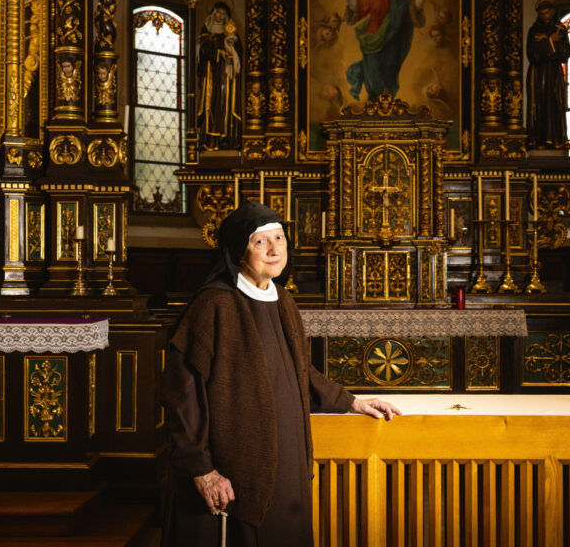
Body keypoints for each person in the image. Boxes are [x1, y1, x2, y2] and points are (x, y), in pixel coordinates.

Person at [161, 201, 400, 546]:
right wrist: (203, 469)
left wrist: (352, 402)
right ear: (237, 249)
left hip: (285, 459)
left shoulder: (283, 299)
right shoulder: (214, 305)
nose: (274, 249)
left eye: (280, 238)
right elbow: (180, 394)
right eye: (261, 241)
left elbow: (300, 370)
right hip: (231, 465)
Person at [334, 0, 432, 100]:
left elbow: (414, 7)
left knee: (390, 68)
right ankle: (374, 100)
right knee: (373, 69)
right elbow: (356, 6)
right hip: (373, 38)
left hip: (393, 39)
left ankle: (388, 100)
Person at [196, 2, 243, 151]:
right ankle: (210, 138)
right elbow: (202, 50)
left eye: (223, 14)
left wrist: (231, 50)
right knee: (210, 103)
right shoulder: (206, 32)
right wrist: (218, 53)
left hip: (227, 76)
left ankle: (227, 138)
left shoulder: (231, 33)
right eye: (217, 12)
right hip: (211, 74)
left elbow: (239, 51)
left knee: (226, 103)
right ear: (212, 13)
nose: (219, 16)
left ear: (227, 16)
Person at [526, 0, 570, 149]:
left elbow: (564, 53)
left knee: (556, 103)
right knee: (540, 104)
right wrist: (550, 42)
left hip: (554, 72)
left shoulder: (561, 29)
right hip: (539, 74)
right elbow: (533, 54)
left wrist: (547, 44)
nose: (545, 16)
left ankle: (558, 138)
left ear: (553, 13)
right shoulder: (534, 31)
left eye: (548, 12)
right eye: (542, 13)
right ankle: (539, 139)